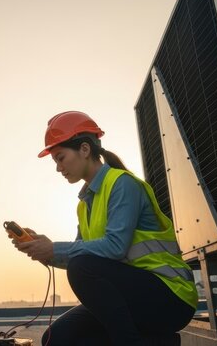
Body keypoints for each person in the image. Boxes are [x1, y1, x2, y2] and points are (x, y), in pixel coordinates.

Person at [11, 111, 197, 345]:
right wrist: (42, 251)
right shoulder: (84, 205)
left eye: (60, 158)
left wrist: (55, 249)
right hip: (131, 294)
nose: (58, 168)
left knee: (81, 266)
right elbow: (80, 256)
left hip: (170, 296)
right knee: (56, 337)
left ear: (85, 150)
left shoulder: (122, 184)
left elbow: (114, 248)